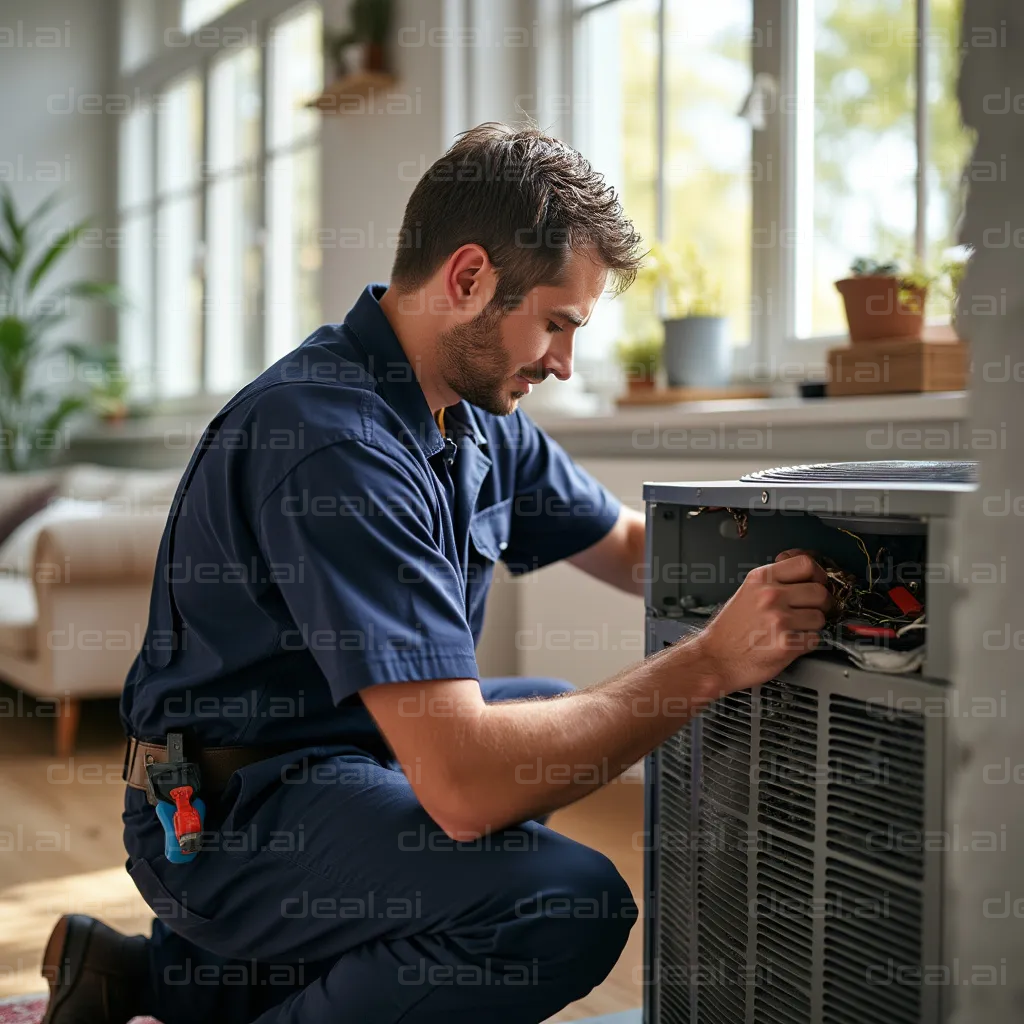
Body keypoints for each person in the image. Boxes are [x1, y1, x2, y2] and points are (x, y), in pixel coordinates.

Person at [41, 123, 830, 1024]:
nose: (564, 363)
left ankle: (155, 981)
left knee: (539, 701)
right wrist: (707, 664)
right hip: (223, 815)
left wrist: (793, 563)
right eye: (557, 324)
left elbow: (626, 545)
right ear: (468, 280)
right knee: (565, 901)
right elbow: (463, 788)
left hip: (331, 759)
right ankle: (208, 958)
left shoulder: (471, 411)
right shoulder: (335, 439)